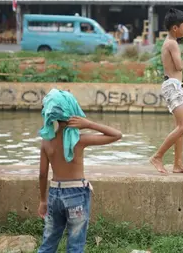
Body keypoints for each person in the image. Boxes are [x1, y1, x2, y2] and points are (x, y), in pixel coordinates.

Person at [37, 89, 122, 253]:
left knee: (48, 242)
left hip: (54, 193)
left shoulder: (46, 142)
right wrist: (89, 124)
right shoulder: (80, 140)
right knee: (75, 245)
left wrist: (42, 200)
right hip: (76, 194)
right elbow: (116, 135)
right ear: (73, 110)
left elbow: (42, 174)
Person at [149, 8, 183, 174]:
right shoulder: (172, 43)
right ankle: (157, 156)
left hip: (174, 86)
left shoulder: (169, 42)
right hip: (172, 87)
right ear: (175, 28)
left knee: (180, 127)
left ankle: (178, 164)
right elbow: (179, 66)